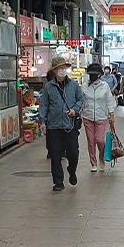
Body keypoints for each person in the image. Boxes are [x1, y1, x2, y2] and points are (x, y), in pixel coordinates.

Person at [38, 54, 83, 191]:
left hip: (70, 126)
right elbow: (44, 105)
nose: (62, 70)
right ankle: (58, 182)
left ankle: (72, 170)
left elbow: (81, 100)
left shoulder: (74, 85)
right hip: (54, 126)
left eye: (64, 67)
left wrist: (75, 110)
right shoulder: (48, 87)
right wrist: (42, 122)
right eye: (59, 68)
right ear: (54, 71)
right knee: (55, 155)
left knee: (73, 153)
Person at [80, 63, 117, 173]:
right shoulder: (84, 87)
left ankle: (101, 157)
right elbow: (81, 101)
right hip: (87, 116)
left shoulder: (105, 86)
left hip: (101, 116)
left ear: (100, 75)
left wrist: (111, 114)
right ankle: (93, 163)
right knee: (91, 141)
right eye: (91, 74)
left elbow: (110, 100)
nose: (93, 76)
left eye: (95, 74)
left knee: (100, 140)